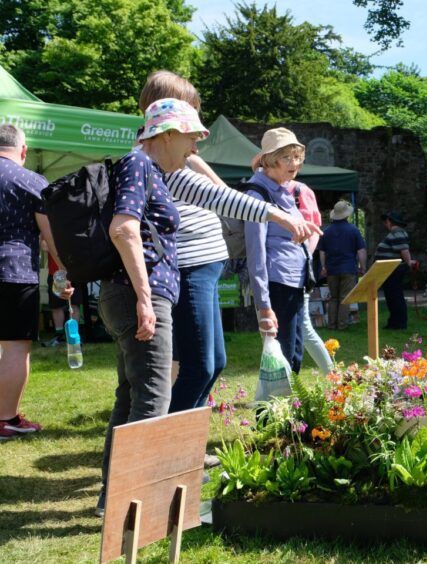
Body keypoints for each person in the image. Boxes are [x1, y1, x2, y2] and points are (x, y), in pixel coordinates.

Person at [136, 71, 318, 414]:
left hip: (203, 271)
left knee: (214, 362)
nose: (196, 135)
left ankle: (185, 446)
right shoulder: (157, 161)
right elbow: (221, 199)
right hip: (188, 270)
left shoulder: (179, 158)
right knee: (200, 365)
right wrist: (279, 216)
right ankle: (169, 448)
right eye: (190, 114)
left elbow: (222, 195)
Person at [96, 98, 209, 515]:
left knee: (131, 398)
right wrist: (146, 299)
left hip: (130, 295)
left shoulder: (150, 170)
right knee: (153, 399)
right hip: (138, 296)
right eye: (191, 136)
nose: (194, 148)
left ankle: (115, 499)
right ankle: (134, 505)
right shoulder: (139, 164)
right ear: (166, 133)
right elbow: (123, 229)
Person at [0, 124, 69, 440]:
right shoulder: (31, 181)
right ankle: (6, 418)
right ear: (23, 150)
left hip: (13, 271)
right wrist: (64, 274)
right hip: (13, 271)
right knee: (15, 346)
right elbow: (53, 236)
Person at [245, 128, 310, 374]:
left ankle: (289, 409)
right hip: (277, 282)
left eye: (297, 157)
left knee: (294, 354)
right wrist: (264, 305)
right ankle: (272, 411)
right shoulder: (257, 193)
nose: (294, 164)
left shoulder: (285, 190)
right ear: (270, 160)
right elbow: (256, 251)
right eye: (287, 158)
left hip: (294, 280)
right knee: (282, 357)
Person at [286, 165, 333, 375]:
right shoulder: (262, 188)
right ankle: (269, 388)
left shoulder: (300, 191)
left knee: (303, 325)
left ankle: (332, 376)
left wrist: (300, 258)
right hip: (273, 271)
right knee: (271, 331)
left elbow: (314, 231)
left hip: (297, 269)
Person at [319, 200, 367, 330]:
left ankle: (331, 324)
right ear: (346, 215)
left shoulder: (326, 231)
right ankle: (342, 325)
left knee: (333, 298)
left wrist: (323, 267)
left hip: (331, 269)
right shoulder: (353, 230)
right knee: (344, 298)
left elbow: (322, 251)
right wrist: (363, 267)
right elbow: (361, 250)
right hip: (348, 268)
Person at [375, 210, 414, 330]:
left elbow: (404, 250)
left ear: (389, 221)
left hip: (393, 270)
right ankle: (394, 322)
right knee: (392, 296)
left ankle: (399, 323)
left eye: (386, 221)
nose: (385, 223)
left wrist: (409, 261)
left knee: (395, 296)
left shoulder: (397, 233)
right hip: (390, 270)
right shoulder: (397, 233)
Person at [42, 252, 84, 347]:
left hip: (73, 271)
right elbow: (44, 245)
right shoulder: (50, 236)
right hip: (55, 273)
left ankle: (74, 336)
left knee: (74, 304)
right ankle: (59, 336)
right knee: (56, 306)